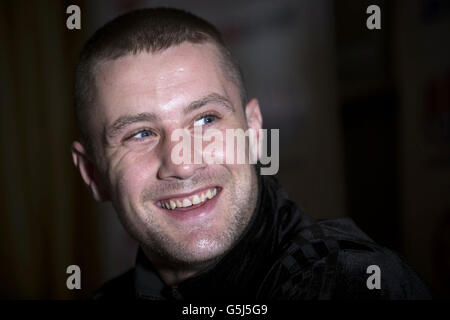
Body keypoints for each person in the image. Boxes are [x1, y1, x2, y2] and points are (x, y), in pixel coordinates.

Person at [71, 8, 432, 300]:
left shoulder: (351, 284)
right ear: (92, 173)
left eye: (205, 119)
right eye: (141, 133)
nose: (182, 163)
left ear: (254, 130)